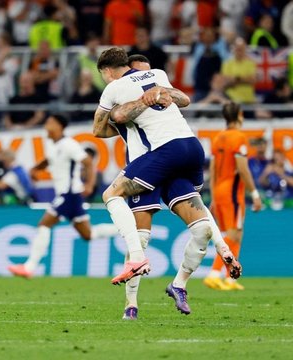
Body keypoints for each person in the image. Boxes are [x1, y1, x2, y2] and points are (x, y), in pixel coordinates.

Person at [93, 48, 241, 314]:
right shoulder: (146, 86)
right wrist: (142, 102)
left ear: (106, 71)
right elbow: (109, 123)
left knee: (124, 210)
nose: (142, 74)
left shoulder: (139, 87)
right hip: (160, 160)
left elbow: (100, 126)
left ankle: (154, 274)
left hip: (161, 158)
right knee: (152, 234)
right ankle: (132, 305)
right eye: (139, 69)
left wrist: (159, 94)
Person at [8, 114, 119, 278]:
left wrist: (88, 185)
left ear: (60, 126)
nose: (46, 126)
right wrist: (35, 169)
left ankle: (29, 267)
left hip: (69, 193)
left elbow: (87, 163)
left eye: (49, 122)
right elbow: (49, 159)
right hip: (68, 195)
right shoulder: (51, 144)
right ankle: (128, 231)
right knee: (88, 234)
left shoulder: (69, 144)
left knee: (44, 224)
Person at [204, 103, 263, 290]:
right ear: (240, 115)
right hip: (232, 192)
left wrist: (213, 195)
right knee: (232, 234)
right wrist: (254, 193)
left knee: (236, 235)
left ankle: (231, 278)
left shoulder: (218, 138)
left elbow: (212, 170)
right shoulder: (239, 137)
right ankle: (214, 273)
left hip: (220, 191)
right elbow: (243, 168)